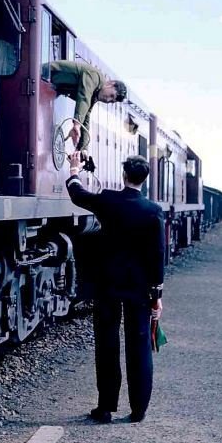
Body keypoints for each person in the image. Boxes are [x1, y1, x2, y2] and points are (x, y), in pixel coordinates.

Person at [66, 152, 165, 424]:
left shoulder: (109, 200)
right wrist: (157, 294)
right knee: (140, 344)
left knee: (107, 344)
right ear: (144, 180)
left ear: (124, 176)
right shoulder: (153, 211)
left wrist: (74, 170)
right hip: (140, 289)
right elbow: (158, 255)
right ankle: (138, 409)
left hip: (107, 285)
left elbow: (78, 194)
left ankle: (106, 406)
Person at [50, 60, 127, 150]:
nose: (107, 100)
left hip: (50, 84)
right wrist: (77, 125)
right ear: (111, 84)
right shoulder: (95, 76)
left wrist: (83, 149)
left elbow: (86, 118)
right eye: (111, 95)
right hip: (44, 75)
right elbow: (84, 97)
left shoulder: (94, 94)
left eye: (111, 101)